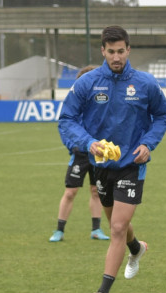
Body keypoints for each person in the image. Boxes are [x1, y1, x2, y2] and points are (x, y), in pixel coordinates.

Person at [58, 25, 166, 293]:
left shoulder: (145, 83)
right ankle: (137, 249)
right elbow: (67, 118)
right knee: (116, 225)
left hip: (133, 165)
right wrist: (88, 142)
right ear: (102, 51)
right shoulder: (88, 82)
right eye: (111, 52)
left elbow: (163, 114)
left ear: (129, 49)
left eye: (121, 51)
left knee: (118, 226)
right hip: (102, 166)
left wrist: (148, 144)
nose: (116, 57)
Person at [50, 65, 110, 243]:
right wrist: (72, 146)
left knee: (96, 191)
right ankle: (59, 230)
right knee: (70, 192)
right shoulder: (75, 101)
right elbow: (65, 126)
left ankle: (96, 229)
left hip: (97, 152)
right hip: (80, 153)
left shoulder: (101, 101)